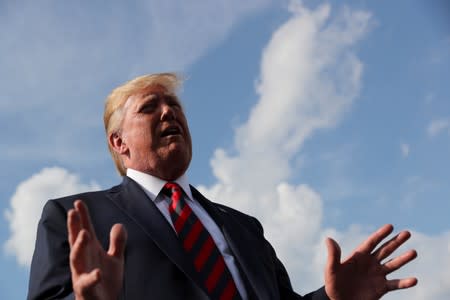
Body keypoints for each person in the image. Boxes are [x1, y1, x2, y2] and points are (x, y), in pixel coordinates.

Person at [28, 73, 418, 300]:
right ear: (119, 142)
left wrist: (331, 298)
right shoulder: (74, 217)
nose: (169, 111)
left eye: (175, 105)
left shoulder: (244, 227)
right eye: (150, 107)